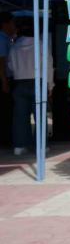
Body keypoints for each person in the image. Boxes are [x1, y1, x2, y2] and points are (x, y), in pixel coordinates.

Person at [9, 17, 53, 156]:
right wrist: (50, 85)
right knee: (40, 116)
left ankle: (19, 146)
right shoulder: (41, 45)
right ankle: (40, 146)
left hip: (19, 83)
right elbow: (48, 66)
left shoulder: (14, 47)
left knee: (20, 116)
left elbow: (10, 66)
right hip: (38, 82)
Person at [0, 12, 16, 146]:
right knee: (5, 111)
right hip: (3, 79)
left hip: (5, 78)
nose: (14, 25)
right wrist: (4, 82)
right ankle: (5, 139)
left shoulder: (6, 38)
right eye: (12, 22)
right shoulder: (1, 39)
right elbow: (1, 63)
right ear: (5, 24)